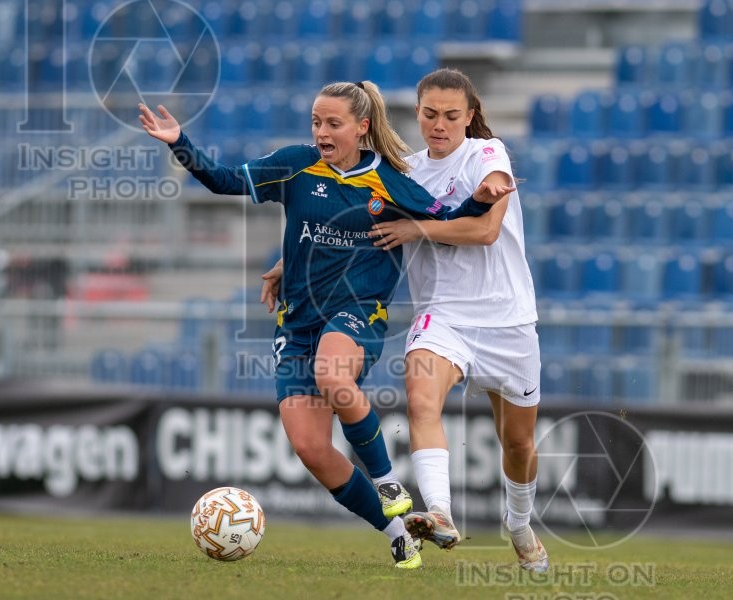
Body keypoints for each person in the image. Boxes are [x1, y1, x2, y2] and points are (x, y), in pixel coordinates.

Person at [138, 80, 493, 570]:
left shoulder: (388, 179)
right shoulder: (296, 164)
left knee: (333, 374)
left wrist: (483, 198)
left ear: (361, 127)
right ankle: (397, 533)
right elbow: (224, 180)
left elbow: (448, 219)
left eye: (333, 124)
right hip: (297, 323)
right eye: (316, 122)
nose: (322, 132)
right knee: (309, 447)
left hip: (357, 313)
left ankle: (388, 481)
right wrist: (181, 143)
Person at [260, 68, 548, 573]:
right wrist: (290, 262)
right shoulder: (405, 173)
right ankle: (438, 511)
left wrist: (417, 227)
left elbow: (484, 230)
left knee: (519, 442)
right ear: (417, 113)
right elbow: (348, 225)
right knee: (420, 397)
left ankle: (520, 523)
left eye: (451, 115)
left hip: (508, 319)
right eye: (430, 114)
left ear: (470, 116)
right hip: (444, 315)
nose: (439, 124)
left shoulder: (487, 154)